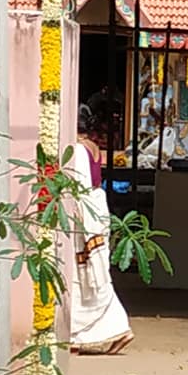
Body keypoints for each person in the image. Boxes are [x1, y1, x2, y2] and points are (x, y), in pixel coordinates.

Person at [70, 107, 134, 355]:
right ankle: (115, 327)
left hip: (85, 212)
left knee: (86, 275)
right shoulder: (92, 147)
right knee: (97, 273)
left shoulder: (76, 149)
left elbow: (79, 186)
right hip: (97, 206)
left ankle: (80, 335)